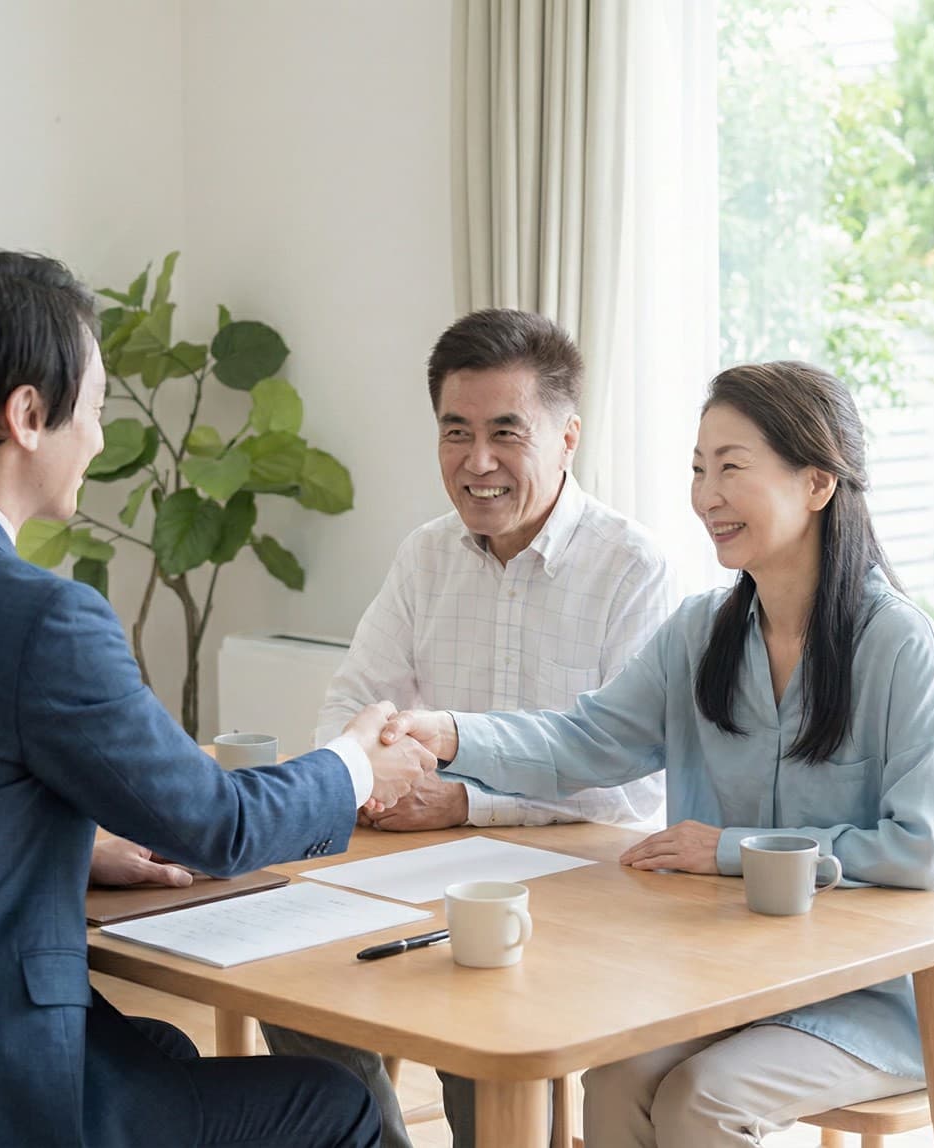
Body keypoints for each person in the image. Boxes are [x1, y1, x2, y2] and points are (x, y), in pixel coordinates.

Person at [0, 250, 436, 1148]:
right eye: (98, 408)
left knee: (159, 1049)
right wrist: (355, 766)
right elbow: (218, 825)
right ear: (28, 415)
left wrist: (69, 850)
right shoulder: (37, 617)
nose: (102, 441)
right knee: (332, 1103)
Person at [380, 361, 934, 1147]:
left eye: (731, 468)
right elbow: (584, 741)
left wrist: (728, 849)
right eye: (698, 470)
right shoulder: (701, 631)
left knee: (701, 1100)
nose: (706, 496)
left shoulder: (897, 644)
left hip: (883, 995)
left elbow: (922, 849)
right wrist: (451, 732)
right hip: (735, 974)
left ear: (816, 483)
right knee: (615, 1076)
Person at [264, 308, 676, 1148]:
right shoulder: (425, 555)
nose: (476, 461)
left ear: (567, 439)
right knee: (289, 976)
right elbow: (351, 710)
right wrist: (375, 772)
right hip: (432, 871)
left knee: (472, 1027)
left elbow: (634, 785)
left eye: (504, 433)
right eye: (456, 432)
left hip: (590, 891)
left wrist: (465, 804)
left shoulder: (634, 568)